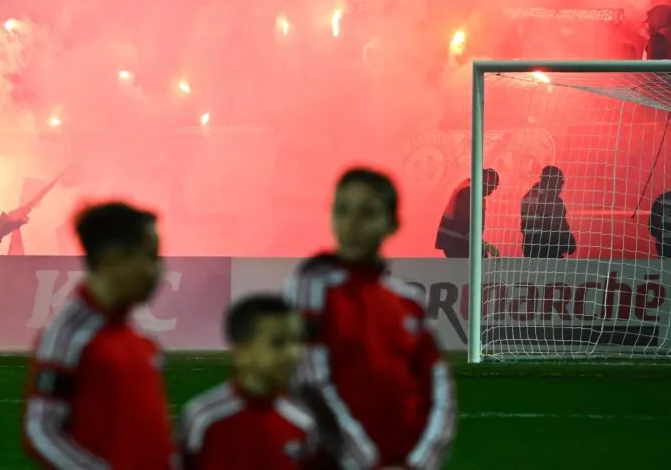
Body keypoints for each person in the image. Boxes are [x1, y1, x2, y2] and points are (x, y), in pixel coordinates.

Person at [286, 169, 455, 470]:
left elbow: (438, 389)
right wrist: (368, 463)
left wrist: (418, 463)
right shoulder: (311, 290)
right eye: (342, 211)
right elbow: (309, 383)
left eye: (367, 213)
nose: (352, 225)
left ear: (392, 223)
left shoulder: (408, 303)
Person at [22, 201, 173, 469]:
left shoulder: (137, 339)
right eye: (150, 257)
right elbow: (41, 430)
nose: (158, 271)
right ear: (113, 259)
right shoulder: (69, 335)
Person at [179, 294, 318, 470]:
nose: (293, 354)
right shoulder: (204, 418)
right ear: (241, 352)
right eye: (278, 343)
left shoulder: (303, 421)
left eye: (298, 341)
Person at [434, 168, 499, 259]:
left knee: (480, 262)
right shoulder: (468, 192)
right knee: (479, 264)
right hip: (456, 241)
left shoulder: (470, 190)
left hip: (458, 241)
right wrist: (485, 246)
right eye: (491, 188)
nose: (490, 193)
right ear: (484, 182)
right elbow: (465, 225)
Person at [520, 166, 577, 259]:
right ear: (552, 181)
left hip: (530, 253)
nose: (561, 186)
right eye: (560, 182)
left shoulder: (528, 197)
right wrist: (570, 243)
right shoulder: (553, 201)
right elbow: (560, 228)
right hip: (550, 254)